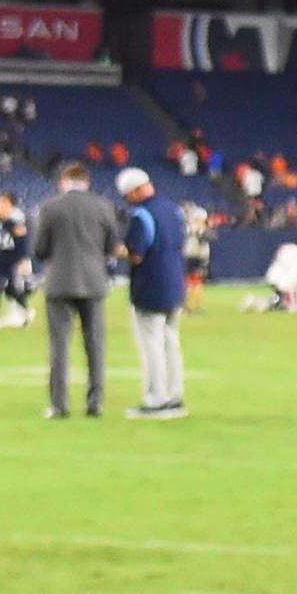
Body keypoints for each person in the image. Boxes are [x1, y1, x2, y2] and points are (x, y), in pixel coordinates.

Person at [30, 161, 118, 421]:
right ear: (87, 181)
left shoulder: (51, 207)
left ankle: (59, 405)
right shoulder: (103, 206)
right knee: (95, 345)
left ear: (63, 182)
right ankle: (95, 402)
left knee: (59, 345)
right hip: (93, 281)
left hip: (59, 282)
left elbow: (39, 248)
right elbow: (112, 244)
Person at [116, 167, 190, 419]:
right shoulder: (173, 209)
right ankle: (175, 395)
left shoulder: (141, 215)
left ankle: (156, 398)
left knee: (152, 346)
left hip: (150, 285)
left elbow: (137, 254)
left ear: (136, 191)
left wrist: (119, 251)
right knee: (171, 342)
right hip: (175, 283)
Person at [0, 191, 31, 328]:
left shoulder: (15, 221)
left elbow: (22, 243)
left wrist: (23, 260)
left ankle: (25, 311)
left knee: (12, 290)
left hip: (13, 260)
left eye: (2, 203)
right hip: (0, 259)